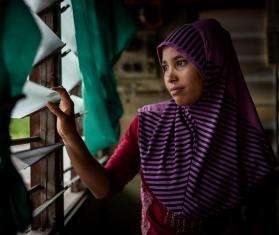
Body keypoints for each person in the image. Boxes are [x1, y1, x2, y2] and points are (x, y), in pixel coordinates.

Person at [46, 19, 278, 235]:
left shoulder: (246, 141)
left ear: (211, 62)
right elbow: (103, 187)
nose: (170, 77)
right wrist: (69, 134)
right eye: (165, 66)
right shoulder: (149, 125)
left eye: (180, 63)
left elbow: (260, 219)